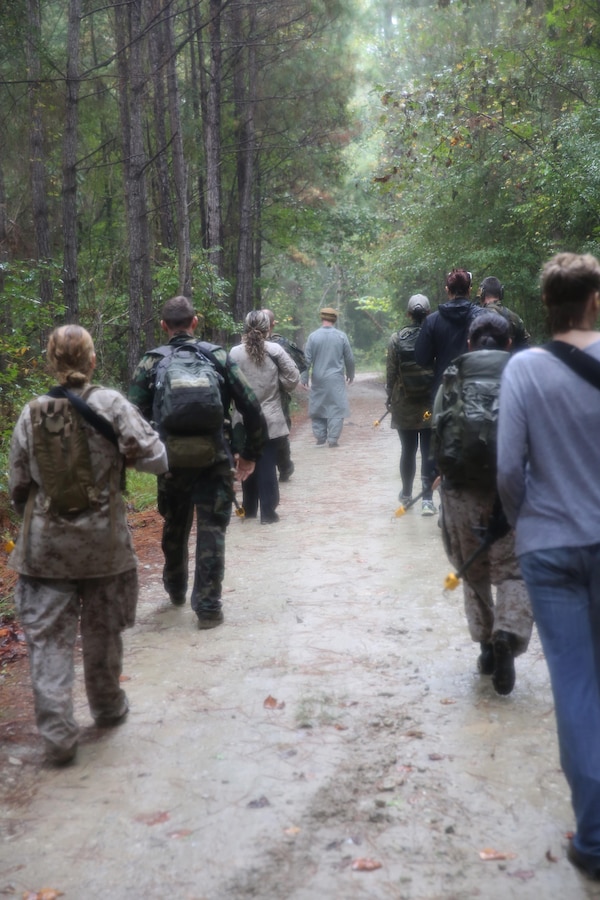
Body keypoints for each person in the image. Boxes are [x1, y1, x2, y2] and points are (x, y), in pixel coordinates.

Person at [8, 325, 168, 766]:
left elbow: (18, 484)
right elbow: (159, 459)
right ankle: (107, 707)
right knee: (102, 633)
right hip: (105, 548)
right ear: (92, 360)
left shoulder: (32, 412)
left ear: (50, 361)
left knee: (49, 642)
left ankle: (58, 734)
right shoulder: (112, 404)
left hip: (45, 552)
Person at [497, 252, 600, 879]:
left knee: (576, 685)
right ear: (593, 301)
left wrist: (527, 520)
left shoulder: (525, 369)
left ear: (548, 305)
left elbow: (509, 469)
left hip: (550, 549)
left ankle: (593, 836)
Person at [128, 296, 266, 629]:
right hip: (214, 460)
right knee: (211, 530)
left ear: (164, 326)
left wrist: (149, 453)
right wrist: (248, 454)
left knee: (175, 526)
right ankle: (208, 608)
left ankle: (175, 589)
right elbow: (252, 409)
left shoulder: (150, 363)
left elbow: (132, 417)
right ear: (195, 322)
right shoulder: (218, 358)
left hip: (170, 462)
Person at [434, 311, 533, 695]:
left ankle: (486, 645)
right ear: (509, 343)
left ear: (471, 343)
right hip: (512, 492)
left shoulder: (453, 377)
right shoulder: (525, 374)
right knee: (515, 571)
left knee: (471, 571)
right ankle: (508, 633)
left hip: (461, 489)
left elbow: (438, 430)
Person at [229, 310, 300, 523]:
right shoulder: (275, 350)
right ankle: (269, 513)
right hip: (270, 418)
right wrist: (279, 385)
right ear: (268, 328)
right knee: (267, 463)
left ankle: (249, 509)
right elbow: (293, 378)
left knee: (245, 461)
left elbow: (226, 383)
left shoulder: (233, 353)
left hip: (242, 419)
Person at [386, 294, 436, 515]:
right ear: (428, 313)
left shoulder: (396, 339)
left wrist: (390, 397)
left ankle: (406, 495)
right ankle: (427, 500)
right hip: (428, 407)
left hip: (404, 404)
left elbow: (391, 374)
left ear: (408, 313)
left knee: (408, 450)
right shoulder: (435, 337)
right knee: (428, 452)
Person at [415, 268, 481, 399]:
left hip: (443, 393)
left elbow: (421, 359)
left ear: (447, 290)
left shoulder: (432, 321)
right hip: (476, 393)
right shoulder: (483, 318)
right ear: (469, 290)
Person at [263, 309, 307, 482]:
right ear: (274, 324)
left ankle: (281, 467)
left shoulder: (244, 346)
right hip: (277, 395)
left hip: (252, 397)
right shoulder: (281, 344)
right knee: (280, 432)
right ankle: (284, 466)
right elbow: (302, 363)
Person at [301, 307, 355, 447]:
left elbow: (306, 360)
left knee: (318, 406)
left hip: (318, 378)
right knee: (336, 408)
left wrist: (304, 377)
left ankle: (320, 436)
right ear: (335, 319)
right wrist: (350, 373)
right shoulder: (341, 336)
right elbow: (349, 358)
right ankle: (333, 439)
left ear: (322, 318)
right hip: (336, 379)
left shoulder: (313, 337)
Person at [478, 275, 531, 351]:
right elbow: (526, 346)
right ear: (501, 292)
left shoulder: (476, 316)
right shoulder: (514, 318)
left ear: (482, 293)